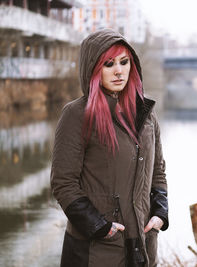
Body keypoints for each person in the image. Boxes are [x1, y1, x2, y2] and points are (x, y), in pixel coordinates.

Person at [50, 28, 168, 267]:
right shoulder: (76, 115)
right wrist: (100, 227)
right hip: (96, 250)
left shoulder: (146, 115)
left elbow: (158, 172)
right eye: (108, 64)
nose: (118, 71)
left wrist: (159, 214)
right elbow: (63, 183)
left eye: (124, 62)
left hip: (143, 245)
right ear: (93, 70)